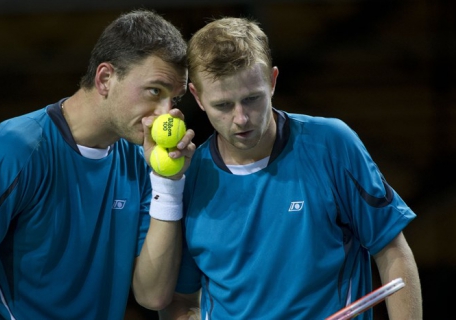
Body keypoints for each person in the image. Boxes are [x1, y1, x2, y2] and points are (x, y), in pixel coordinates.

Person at [159, 17, 422, 319]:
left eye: (252, 99)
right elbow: (180, 300)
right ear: (198, 97)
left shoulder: (332, 145)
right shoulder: (188, 176)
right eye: (223, 105)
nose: (241, 118)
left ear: (272, 81)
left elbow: (394, 255)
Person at [0, 9, 196, 320]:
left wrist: (167, 183)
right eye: (155, 91)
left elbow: (153, 296)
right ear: (105, 79)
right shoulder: (16, 147)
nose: (165, 113)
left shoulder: (145, 163)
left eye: (174, 99)